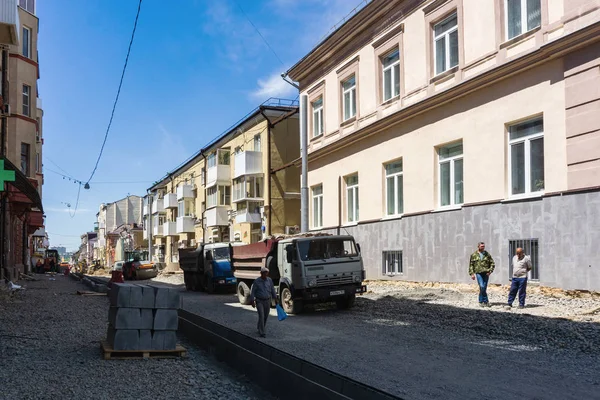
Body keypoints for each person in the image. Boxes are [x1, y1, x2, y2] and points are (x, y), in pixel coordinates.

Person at [250, 266, 278, 338]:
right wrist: (252, 300)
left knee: (265, 316)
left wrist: (275, 298)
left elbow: (272, 290)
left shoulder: (269, 280)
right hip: (259, 301)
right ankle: (262, 332)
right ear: (261, 273)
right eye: (264, 273)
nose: (265, 274)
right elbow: (253, 292)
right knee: (261, 315)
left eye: (266, 273)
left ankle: (260, 327)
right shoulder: (257, 281)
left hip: (267, 300)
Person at [469, 242, 495, 307]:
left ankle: (481, 301)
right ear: (478, 246)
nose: (483, 247)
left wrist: (490, 271)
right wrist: (472, 274)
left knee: (484, 287)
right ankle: (486, 301)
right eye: (481, 246)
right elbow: (471, 265)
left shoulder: (487, 254)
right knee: (482, 286)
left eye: (483, 246)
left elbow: (492, 263)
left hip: (486, 273)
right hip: (478, 273)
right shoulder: (474, 255)